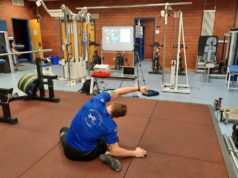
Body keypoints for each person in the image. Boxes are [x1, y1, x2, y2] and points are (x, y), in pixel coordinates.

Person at [60, 86, 148, 172]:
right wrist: (135, 153)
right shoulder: (111, 126)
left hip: (67, 148)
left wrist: (138, 88)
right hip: (83, 155)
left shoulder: (97, 100)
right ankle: (108, 154)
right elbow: (116, 151)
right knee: (113, 139)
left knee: (63, 129)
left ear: (112, 104)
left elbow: (118, 91)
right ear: (116, 117)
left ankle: (63, 136)